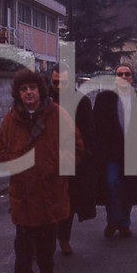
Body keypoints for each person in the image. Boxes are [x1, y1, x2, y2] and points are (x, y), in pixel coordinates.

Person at [0, 67, 83, 273]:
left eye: (32, 88)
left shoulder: (58, 115)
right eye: (23, 89)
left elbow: (75, 147)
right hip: (22, 193)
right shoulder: (10, 119)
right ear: (18, 93)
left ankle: (47, 270)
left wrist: (55, 166)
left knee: (46, 242)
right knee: (22, 247)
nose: (28, 93)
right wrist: (10, 162)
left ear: (40, 91)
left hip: (49, 191)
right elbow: (0, 146)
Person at [92, 64, 137, 238]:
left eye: (127, 74)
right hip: (110, 152)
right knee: (111, 183)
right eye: (119, 74)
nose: (123, 77)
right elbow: (96, 127)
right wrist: (94, 150)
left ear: (132, 78)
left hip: (133, 153)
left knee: (129, 189)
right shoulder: (103, 99)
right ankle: (113, 219)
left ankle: (124, 223)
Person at [49, 63, 97, 255]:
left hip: (72, 159)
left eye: (63, 82)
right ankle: (45, 240)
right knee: (47, 201)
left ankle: (64, 238)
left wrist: (84, 155)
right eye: (55, 82)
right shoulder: (43, 99)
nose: (59, 86)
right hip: (47, 158)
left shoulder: (81, 102)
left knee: (69, 202)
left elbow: (88, 131)